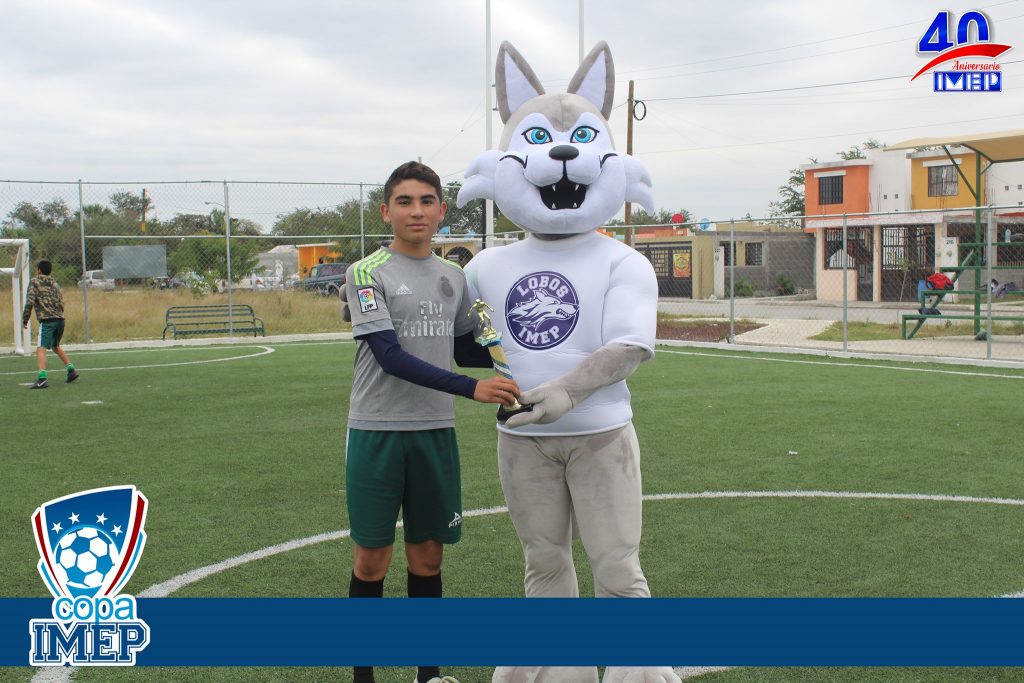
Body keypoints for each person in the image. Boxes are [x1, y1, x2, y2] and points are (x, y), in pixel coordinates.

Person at [343, 161, 519, 683]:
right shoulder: (365, 273)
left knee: (427, 559)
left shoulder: (454, 277)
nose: (416, 211)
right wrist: (472, 389)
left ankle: (429, 675)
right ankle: (363, 678)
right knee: (372, 561)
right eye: (404, 201)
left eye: (426, 201)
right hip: (376, 431)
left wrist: (532, 352)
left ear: (442, 210)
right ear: (386, 211)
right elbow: (389, 357)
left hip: (435, 432)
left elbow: (465, 348)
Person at [22, 260, 79, 389]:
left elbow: (30, 302)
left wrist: (25, 319)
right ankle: (71, 370)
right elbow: (61, 302)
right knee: (55, 346)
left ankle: (42, 379)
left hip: (48, 321)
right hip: (60, 320)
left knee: (41, 348)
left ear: (39, 270)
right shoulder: (55, 283)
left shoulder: (34, 282)